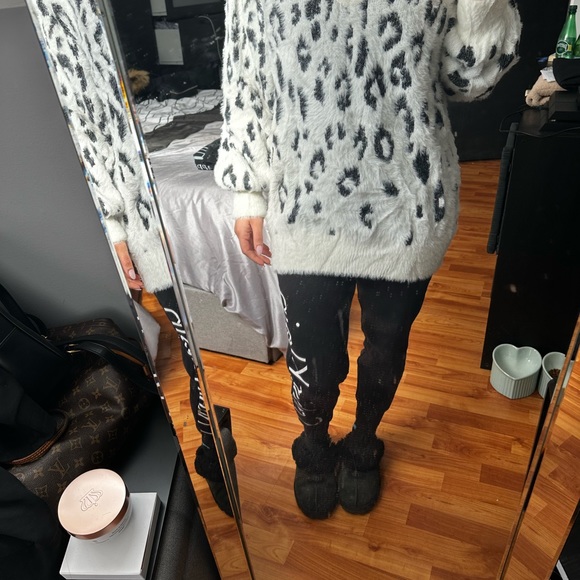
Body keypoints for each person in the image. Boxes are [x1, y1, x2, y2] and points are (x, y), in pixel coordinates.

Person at [215, 0, 522, 519]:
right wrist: (247, 188)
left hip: (408, 198)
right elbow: (244, 73)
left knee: (386, 346)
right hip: (304, 199)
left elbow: (469, 80)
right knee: (314, 356)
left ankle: (364, 440)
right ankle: (313, 442)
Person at [25, 0, 235, 516]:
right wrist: (114, 226)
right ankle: (210, 446)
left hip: (134, 199)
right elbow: (86, 122)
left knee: (194, 349)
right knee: (187, 347)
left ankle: (213, 444)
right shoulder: (50, 20)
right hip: (109, 207)